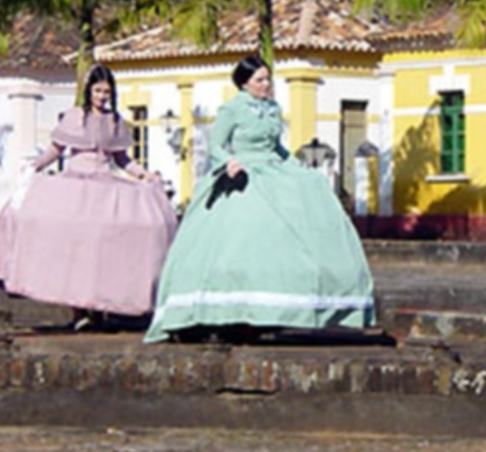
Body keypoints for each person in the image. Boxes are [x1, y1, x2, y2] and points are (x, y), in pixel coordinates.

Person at [144, 55, 375, 343]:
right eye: (260, 80)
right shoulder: (232, 109)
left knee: (295, 215)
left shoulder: (273, 109)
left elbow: (276, 147)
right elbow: (216, 145)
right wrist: (229, 162)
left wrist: (295, 167)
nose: (266, 85)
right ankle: (222, 310)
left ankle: (273, 308)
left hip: (273, 169)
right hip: (242, 172)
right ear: (245, 83)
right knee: (244, 237)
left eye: (268, 79)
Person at [0, 64, 178, 330]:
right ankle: (78, 310)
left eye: (106, 92)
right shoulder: (74, 116)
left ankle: (102, 306)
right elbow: (56, 149)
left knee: (108, 246)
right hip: (76, 185)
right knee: (74, 246)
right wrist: (33, 167)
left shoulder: (116, 121)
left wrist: (144, 175)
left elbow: (122, 159)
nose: (101, 97)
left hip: (106, 185)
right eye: (97, 91)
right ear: (89, 91)